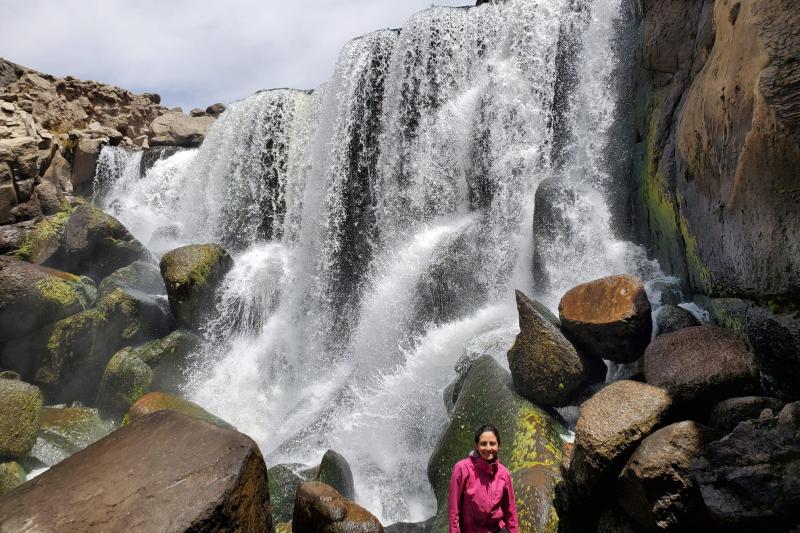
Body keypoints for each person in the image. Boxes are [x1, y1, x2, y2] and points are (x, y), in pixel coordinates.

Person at [447, 424, 518, 533]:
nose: (488, 448)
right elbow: (454, 510)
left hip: (496, 530)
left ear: (499, 446)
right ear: (476, 446)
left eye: (492, 444)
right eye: (483, 444)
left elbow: (510, 512)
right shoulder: (462, 468)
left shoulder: (504, 473)